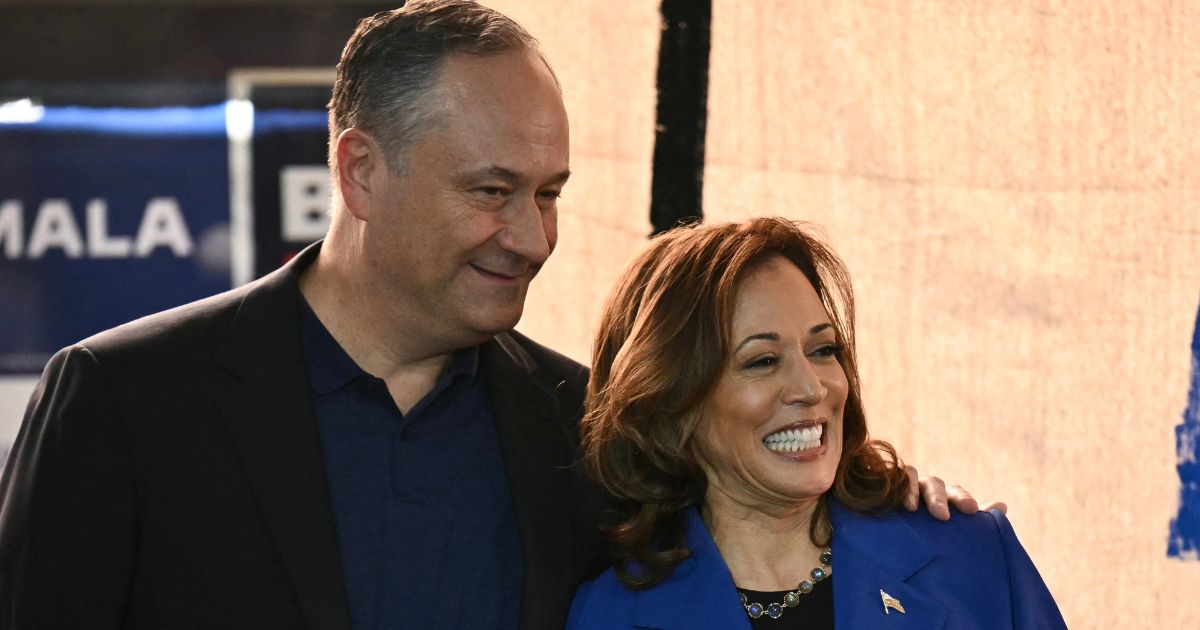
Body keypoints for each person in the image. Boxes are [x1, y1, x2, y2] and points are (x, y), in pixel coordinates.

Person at [0, 3, 986, 629]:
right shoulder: (126, 403)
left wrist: (896, 510)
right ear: (359, 170)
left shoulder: (585, 425)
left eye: (550, 192)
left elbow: (764, 544)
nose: (532, 235)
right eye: (492, 191)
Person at [568, 218, 1065, 629]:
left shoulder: (974, 556)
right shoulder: (607, 615)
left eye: (823, 350)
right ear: (670, 404)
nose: (813, 388)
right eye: (762, 361)